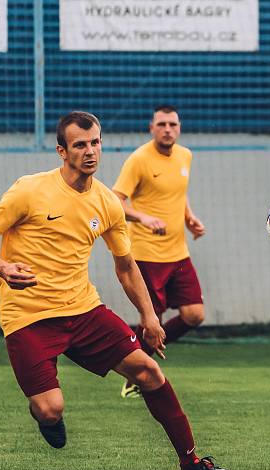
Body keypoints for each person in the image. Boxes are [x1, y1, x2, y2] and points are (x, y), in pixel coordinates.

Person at [0, 111, 230, 470]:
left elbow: (126, 266)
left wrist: (150, 317)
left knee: (148, 371)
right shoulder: (29, 189)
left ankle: (190, 461)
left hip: (83, 309)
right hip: (29, 316)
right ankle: (42, 411)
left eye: (95, 142)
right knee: (51, 408)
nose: (90, 151)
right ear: (61, 151)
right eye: (80, 145)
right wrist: (2, 267)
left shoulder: (107, 202)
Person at [112, 104, 206, 399]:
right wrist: (143, 217)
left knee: (194, 314)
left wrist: (189, 216)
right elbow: (116, 201)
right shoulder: (139, 160)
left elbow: (177, 192)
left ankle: (131, 354)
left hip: (178, 252)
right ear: (151, 127)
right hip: (146, 253)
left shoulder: (185, 156)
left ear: (179, 128)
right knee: (152, 322)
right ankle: (138, 373)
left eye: (173, 124)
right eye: (162, 124)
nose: (168, 129)